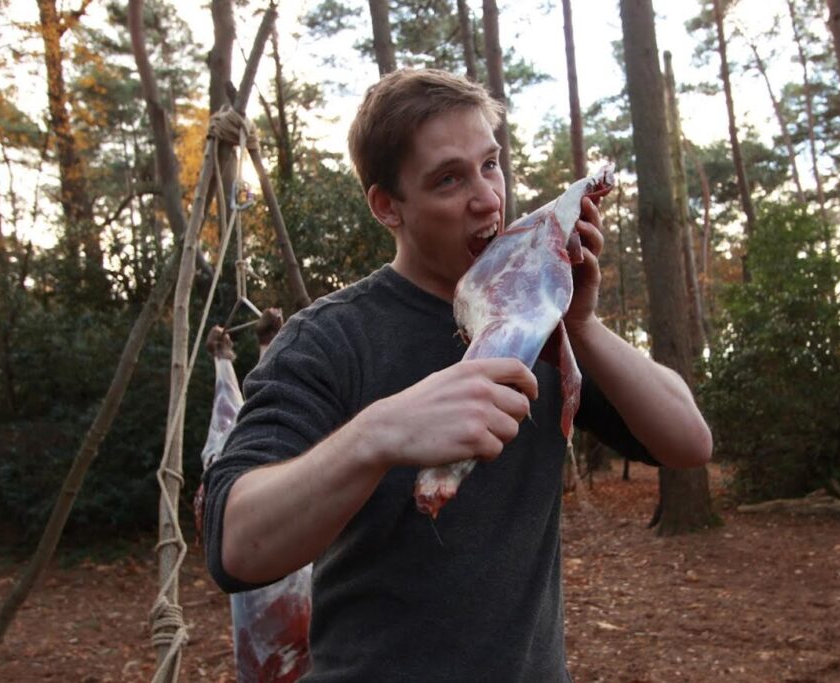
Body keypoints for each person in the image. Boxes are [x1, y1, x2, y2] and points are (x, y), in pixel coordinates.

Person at [202, 68, 712, 682]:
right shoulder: (330, 340)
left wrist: (582, 323)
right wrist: (377, 435)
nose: (489, 199)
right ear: (387, 206)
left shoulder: (538, 320)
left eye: (491, 165)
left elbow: (689, 444)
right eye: (449, 179)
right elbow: (236, 545)